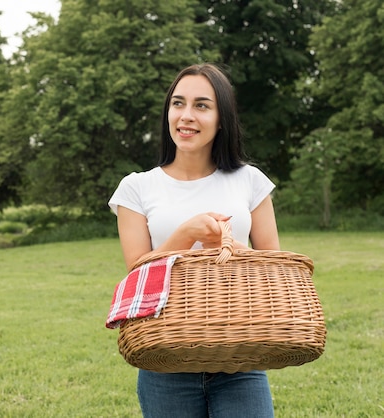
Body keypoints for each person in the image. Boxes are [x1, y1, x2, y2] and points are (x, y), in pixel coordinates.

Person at [107, 63, 280, 417]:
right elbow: (136, 276)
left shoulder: (250, 181)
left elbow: (273, 272)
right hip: (165, 359)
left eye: (201, 105)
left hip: (240, 358)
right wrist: (185, 235)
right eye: (178, 103)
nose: (186, 116)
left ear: (222, 118)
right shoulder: (136, 188)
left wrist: (232, 248)